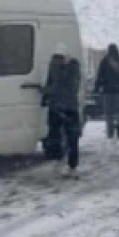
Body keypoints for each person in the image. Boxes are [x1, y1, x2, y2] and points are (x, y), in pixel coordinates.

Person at [42, 44, 83, 174]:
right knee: (54, 136)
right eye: (56, 58)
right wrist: (45, 97)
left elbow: (68, 87)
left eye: (60, 58)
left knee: (72, 137)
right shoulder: (53, 66)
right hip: (55, 106)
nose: (57, 60)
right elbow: (50, 81)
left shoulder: (73, 68)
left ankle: (72, 165)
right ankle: (59, 159)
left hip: (69, 107)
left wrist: (47, 90)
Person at [94, 43, 119, 139]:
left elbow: (99, 75)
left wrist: (97, 88)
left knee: (108, 113)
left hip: (107, 91)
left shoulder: (104, 61)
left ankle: (110, 131)